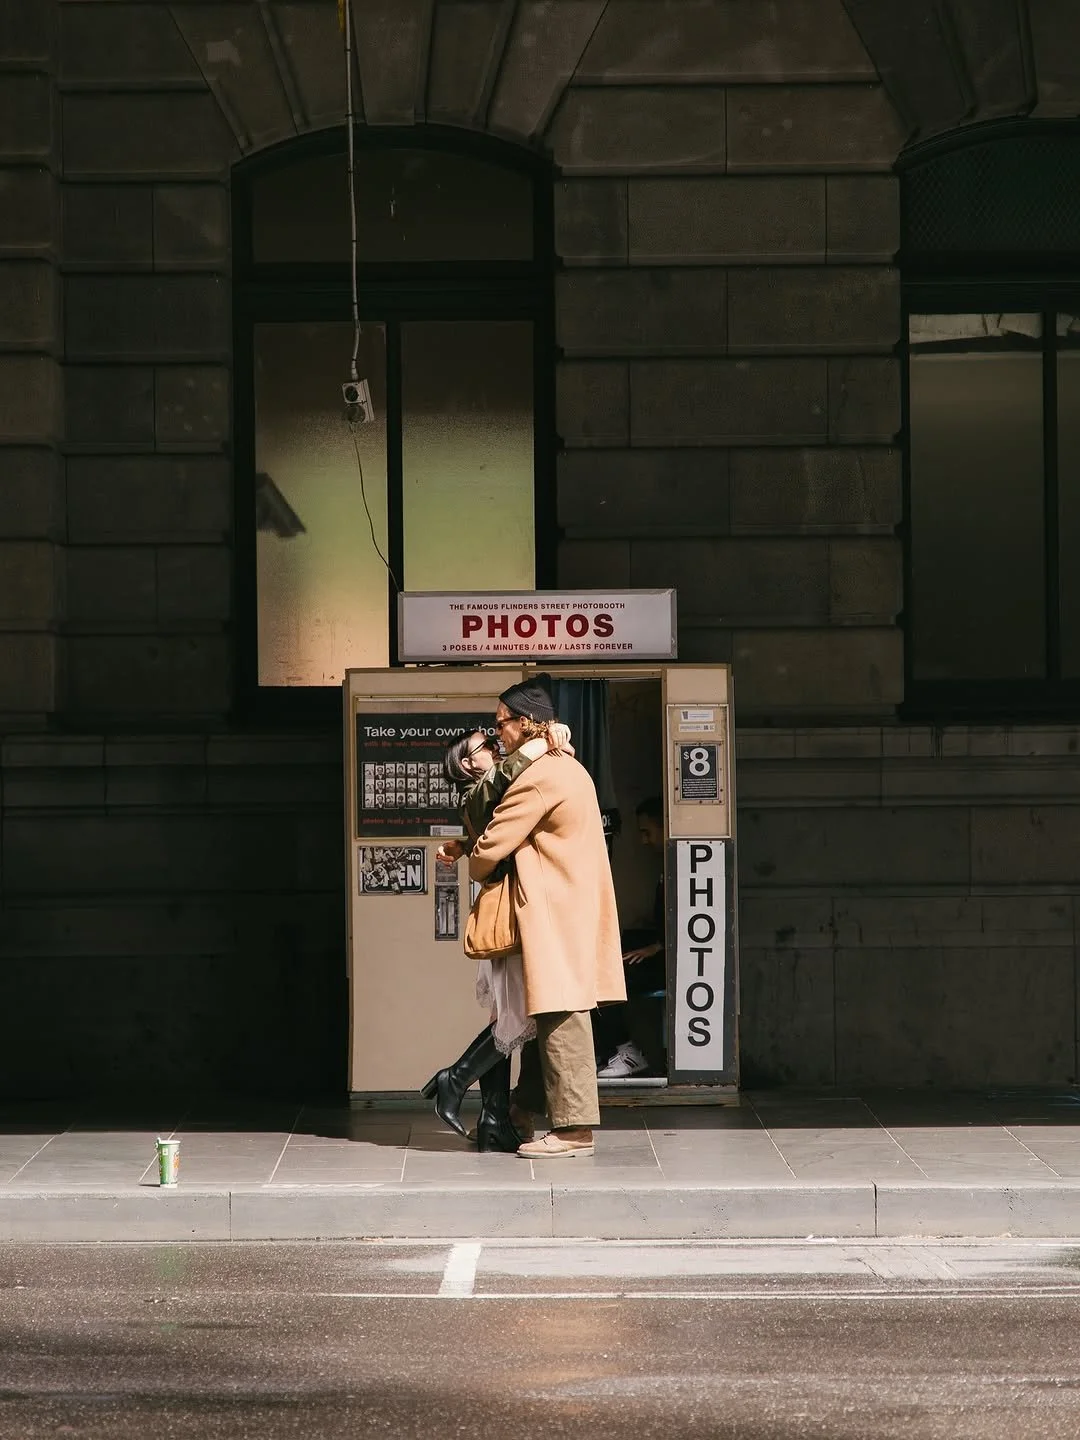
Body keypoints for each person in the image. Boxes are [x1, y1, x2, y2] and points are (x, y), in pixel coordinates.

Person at [469, 675, 626, 1159]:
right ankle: (524, 1109)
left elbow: (488, 841)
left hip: (553, 909)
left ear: (529, 724)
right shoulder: (568, 767)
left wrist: (474, 856)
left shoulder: (538, 778)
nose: (499, 736)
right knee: (549, 1012)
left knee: (562, 1013)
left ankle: (575, 1129)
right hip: (570, 904)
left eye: (503, 726)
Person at [421, 722, 571, 1152]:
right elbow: (503, 790)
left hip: (508, 915)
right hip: (511, 917)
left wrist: (461, 845)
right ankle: (454, 1079)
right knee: (517, 1018)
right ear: (469, 764)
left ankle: (493, 1122)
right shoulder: (482, 789)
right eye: (486, 745)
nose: (496, 744)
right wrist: (545, 740)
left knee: (503, 1019)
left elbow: (489, 829)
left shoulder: (481, 794)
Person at [596, 796, 667, 1078]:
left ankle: (627, 1051)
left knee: (606, 976)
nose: (644, 840)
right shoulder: (666, 865)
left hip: (669, 956)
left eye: (647, 832)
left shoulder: (679, 867)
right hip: (660, 946)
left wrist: (657, 947)